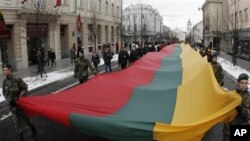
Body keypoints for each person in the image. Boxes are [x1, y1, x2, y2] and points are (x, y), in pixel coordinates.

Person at [2, 64, 37, 141]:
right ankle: (21, 137)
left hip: (20, 105)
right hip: (12, 106)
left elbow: (25, 87)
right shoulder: (4, 82)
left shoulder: (17, 79)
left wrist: (19, 97)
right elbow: (4, 92)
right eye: (3, 70)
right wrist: (9, 100)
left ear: (9, 70)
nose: (4, 71)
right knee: (16, 122)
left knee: (26, 119)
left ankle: (33, 128)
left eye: (5, 70)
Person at [223, 73, 250, 141]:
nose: (244, 85)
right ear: (238, 83)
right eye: (242, 83)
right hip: (228, 128)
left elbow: (248, 117)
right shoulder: (232, 94)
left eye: (246, 83)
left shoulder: (249, 97)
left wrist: (240, 108)